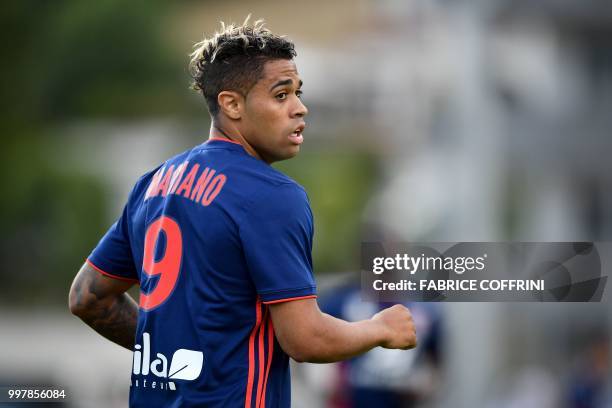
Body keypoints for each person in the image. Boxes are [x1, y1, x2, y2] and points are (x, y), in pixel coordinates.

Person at [68, 17, 417, 407]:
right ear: (231, 104)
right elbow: (305, 339)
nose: (300, 108)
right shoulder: (270, 195)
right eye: (281, 95)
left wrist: (177, 354)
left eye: (298, 93)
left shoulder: (152, 184)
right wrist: (379, 329)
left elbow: (87, 297)